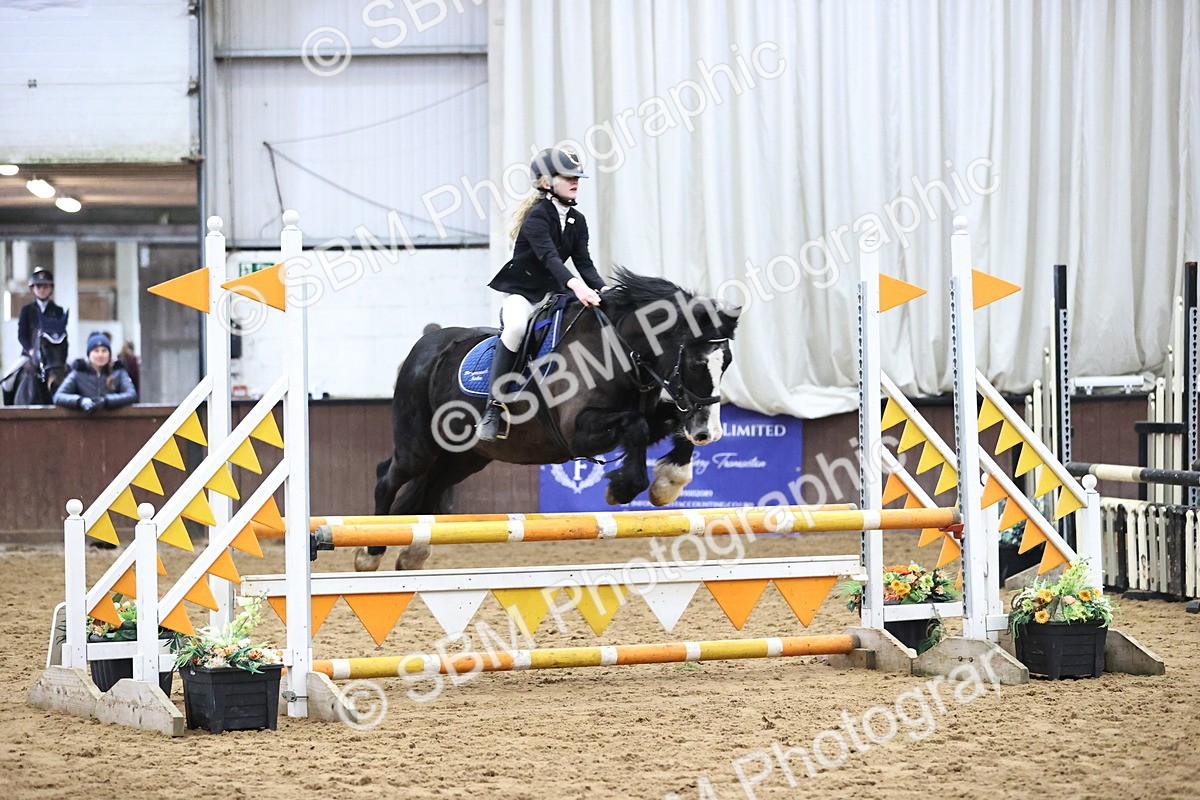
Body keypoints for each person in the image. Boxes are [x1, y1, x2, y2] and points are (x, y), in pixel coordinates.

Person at [479, 145, 608, 441]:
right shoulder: (537, 217)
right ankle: (493, 407)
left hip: (552, 294)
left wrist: (604, 291)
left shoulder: (578, 220)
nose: (575, 181)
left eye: (577, 177)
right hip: (522, 293)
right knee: (515, 329)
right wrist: (579, 288)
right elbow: (550, 258)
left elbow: (584, 264)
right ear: (546, 183)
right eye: (568, 176)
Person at [54, 332, 138, 413]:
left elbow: (131, 394)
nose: (100, 355)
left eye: (104, 351)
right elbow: (58, 396)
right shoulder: (79, 372)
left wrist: (106, 401)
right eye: (96, 351)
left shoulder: (118, 372)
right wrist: (80, 401)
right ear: (89, 354)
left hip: (112, 420)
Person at [17, 268, 67, 357]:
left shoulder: (58, 310)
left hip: (52, 356)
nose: (42, 290)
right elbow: (21, 335)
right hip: (30, 354)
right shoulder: (26, 310)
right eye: (38, 286)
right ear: (33, 288)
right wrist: (30, 350)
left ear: (51, 288)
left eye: (45, 287)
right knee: (12, 371)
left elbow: (61, 335)